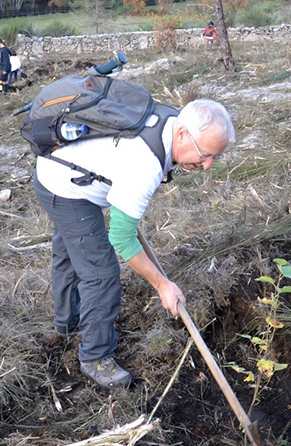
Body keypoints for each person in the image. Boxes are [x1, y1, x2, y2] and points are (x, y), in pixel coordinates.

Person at [33, 99, 234, 389]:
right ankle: (95, 357)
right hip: (64, 186)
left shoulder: (170, 120)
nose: (207, 165)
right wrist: (162, 285)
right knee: (100, 273)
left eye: (215, 157)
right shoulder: (146, 164)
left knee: (71, 250)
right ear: (182, 135)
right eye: (205, 155)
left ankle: (67, 325)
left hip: (60, 167)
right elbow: (122, 239)